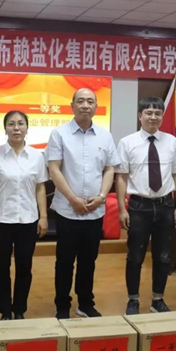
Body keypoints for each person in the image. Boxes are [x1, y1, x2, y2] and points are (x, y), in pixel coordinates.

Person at [45, 88, 120, 320]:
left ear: (96, 106)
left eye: (90, 101)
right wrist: (73, 199)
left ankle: (85, 303)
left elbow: (110, 169)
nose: (85, 105)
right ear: (72, 106)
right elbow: (54, 169)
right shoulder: (59, 134)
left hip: (94, 211)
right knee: (64, 262)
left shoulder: (105, 136)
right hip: (67, 211)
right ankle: (62, 305)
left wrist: (102, 196)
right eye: (80, 101)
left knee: (89, 261)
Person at [116, 97, 176, 315]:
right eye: (148, 112)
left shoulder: (172, 142)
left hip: (166, 205)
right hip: (139, 207)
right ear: (140, 116)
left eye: (157, 113)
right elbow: (121, 177)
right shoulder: (127, 142)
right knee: (135, 256)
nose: (153, 117)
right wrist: (121, 209)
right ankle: (133, 300)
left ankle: (158, 299)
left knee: (163, 256)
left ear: (162, 116)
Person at [0, 111, 48, 321]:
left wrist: (43, 216)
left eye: (21, 124)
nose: (16, 128)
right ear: (5, 129)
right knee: (1, 268)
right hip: (1, 220)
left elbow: (40, 188)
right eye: (11, 124)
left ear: (27, 128)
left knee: (24, 267)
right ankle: (5, 310)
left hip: (28, 220)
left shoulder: (37, 156)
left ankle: (19, 309)